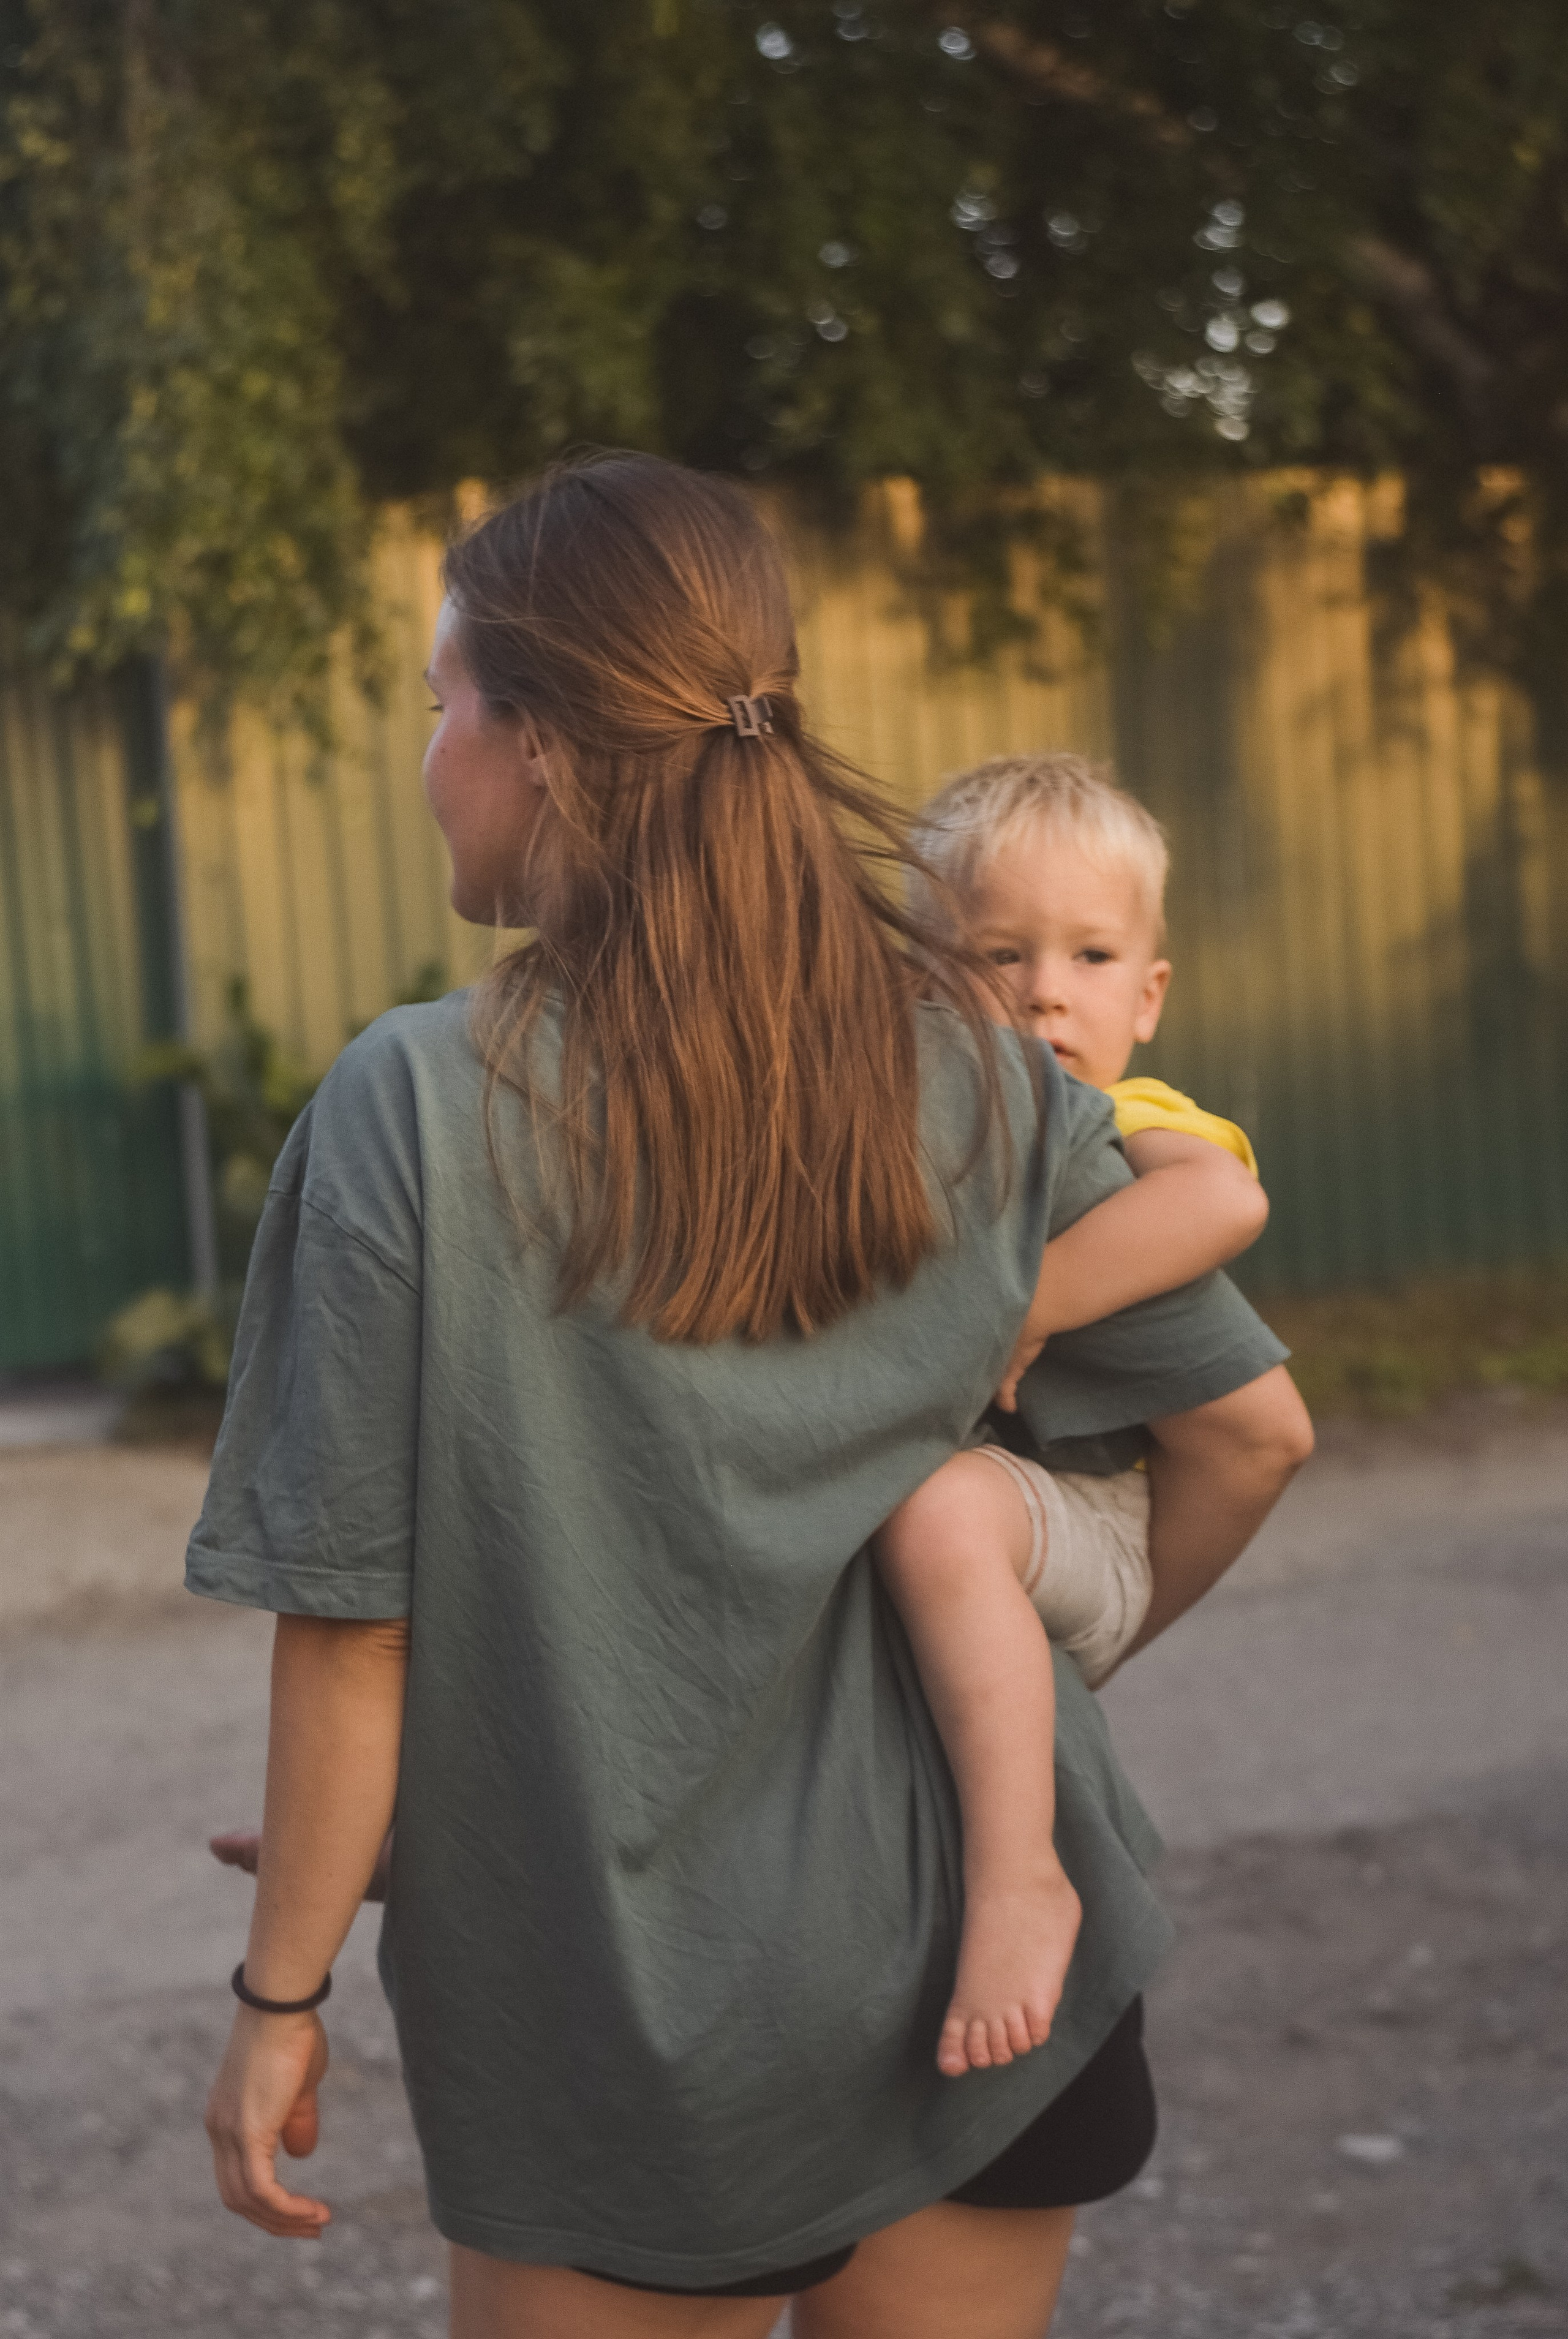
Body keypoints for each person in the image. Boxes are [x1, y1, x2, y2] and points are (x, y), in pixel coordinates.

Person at [194, 453, 1313, 2338]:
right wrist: (1030, 1673)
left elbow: (357, 1631)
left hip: (635, 2037)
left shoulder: (409, 1108)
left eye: (437, 704)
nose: (429, 755)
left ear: (540, 737)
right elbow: (1252, 1433)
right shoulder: (979, 1061)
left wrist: (277, 1997)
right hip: (992, 1975)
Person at [870, 753, 1272, 2078]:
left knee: (937, 1510)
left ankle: (1021, 1879)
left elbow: (1221, 1207)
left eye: (1091, 954)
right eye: (998, 953)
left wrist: (1024, 1304)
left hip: (1080, 1516)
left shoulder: (1131, 1114)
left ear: (1147, 994)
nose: (1047, 987)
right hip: (992, 1533)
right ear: (923, 976)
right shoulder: (922, 1118)